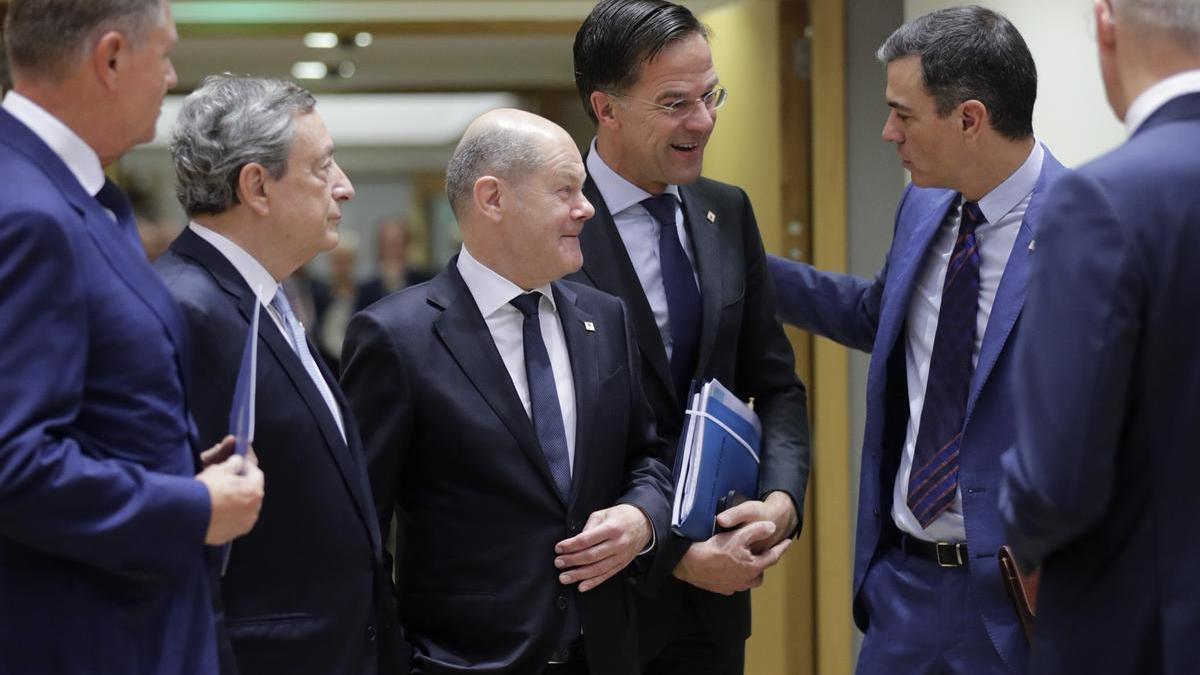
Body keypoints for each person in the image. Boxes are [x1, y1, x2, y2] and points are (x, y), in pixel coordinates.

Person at [768, 6, 1067, 674]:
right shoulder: (926, 203)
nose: (887, 132)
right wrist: (741, 262)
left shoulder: (1089, 229)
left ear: (969, 119)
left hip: (1016, 604)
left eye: (904, 114)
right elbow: (882, 317)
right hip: (901, 587)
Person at [340, 108, 673, 675]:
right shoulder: (396, 337)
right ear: (492, 198)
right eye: (565, 189)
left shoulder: (606, 318)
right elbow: (358, 528)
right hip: (463, 662)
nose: (586, 208)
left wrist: (642, 518)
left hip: (606, 654)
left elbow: (647, 457)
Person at [0, 2, 264, 673]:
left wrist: (171, 463)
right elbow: (13, 462)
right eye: (165, 54)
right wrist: (190, 503)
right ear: (111, 57)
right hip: (87, 633)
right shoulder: (29, 212)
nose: (173, 77)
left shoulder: (75, 194)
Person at [568, 2, 808, 672]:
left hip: (718, 606)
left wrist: (782, 502)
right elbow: (540, 439)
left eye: (710, 95)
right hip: (597, 606)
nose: (701, 121)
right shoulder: (554, 224)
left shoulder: (725, 210)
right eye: (675, 102)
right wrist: (673, 554)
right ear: (606, 108)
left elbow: (777, 383)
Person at [154, 74, 405, 675]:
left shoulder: (263, 298)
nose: (343, 188)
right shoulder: (183, 309)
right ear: (257, 186)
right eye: (322, 168)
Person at [999, 1, 1200, 672]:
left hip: (1142, 629)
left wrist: (1026, 541)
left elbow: (1057, 478)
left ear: (1106, 22)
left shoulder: (1104, 201)